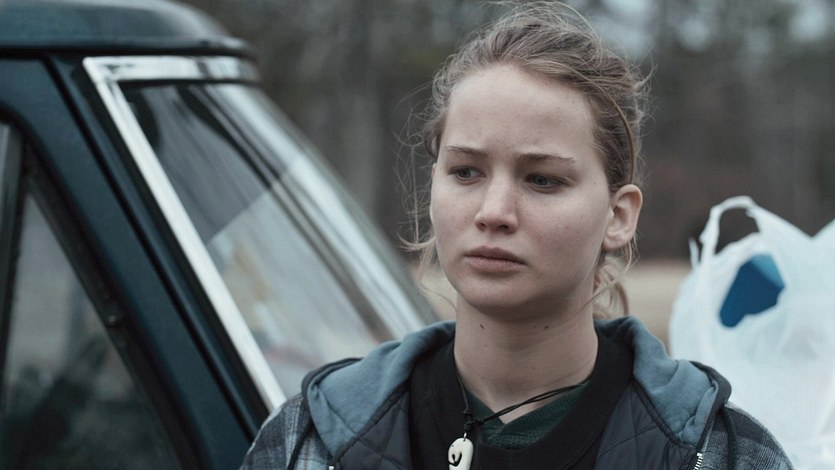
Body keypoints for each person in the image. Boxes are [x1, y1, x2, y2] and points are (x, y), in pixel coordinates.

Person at [241, 2, 792, 469]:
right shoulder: (310, 440)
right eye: (466, 172)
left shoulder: (720, 453)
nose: (494, 212)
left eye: (542, 179)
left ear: (618, 216)